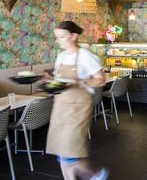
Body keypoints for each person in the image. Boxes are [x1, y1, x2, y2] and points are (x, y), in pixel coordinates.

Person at [45, 21, 108, 180]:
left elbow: (100, 79)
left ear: (74, 36)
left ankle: (97, 174)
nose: (59, 41)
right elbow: (59, 80)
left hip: (78, 108)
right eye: (57, 37)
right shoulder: (61, 56)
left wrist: (80, 82)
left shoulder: (85, 56)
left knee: (70, 152)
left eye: (62, 37)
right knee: (61, 151)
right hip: (60, 106)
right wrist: (45, 79)